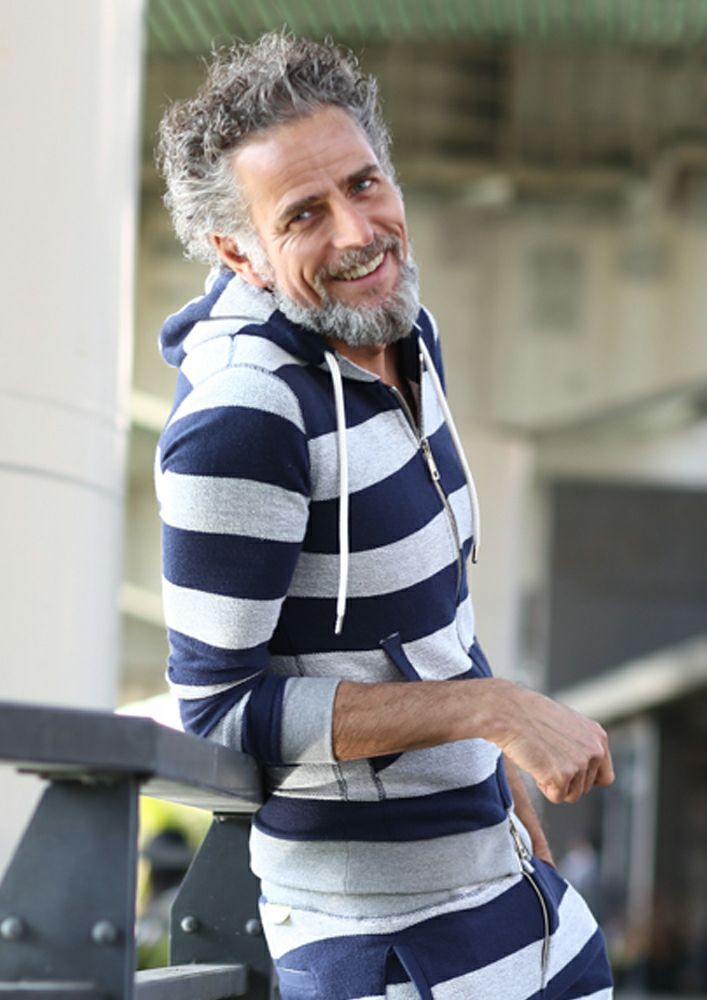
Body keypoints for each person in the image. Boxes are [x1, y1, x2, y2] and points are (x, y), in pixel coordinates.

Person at [156, 32, 615, 1000]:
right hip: (384, 950)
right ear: (238, 251)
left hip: (512, 897)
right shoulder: (242, 417)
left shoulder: (399, 326)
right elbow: (219, 712)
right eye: (303, 215)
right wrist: (493, 710)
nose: (357, 234)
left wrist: (494, 776)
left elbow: (427, 622)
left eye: (364, 185)